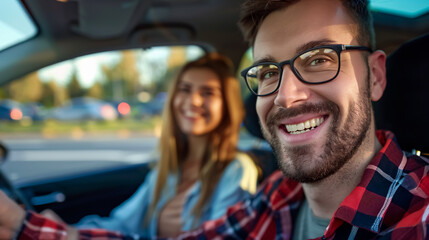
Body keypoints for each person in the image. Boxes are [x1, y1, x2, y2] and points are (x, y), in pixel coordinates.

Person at [1, 0, 429, 239]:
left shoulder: (419, 214)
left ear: (374, 75)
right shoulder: (279, 196)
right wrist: (21, 226)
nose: (286, 94)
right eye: (267, 71)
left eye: (319, 59)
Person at [4, 52, 259, 239]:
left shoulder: (236, 170)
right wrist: (66, 230)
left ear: (227, 105)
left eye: (208, 93)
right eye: (185, 89)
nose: (192, 100)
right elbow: (121, 224)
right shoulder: (168, 170)